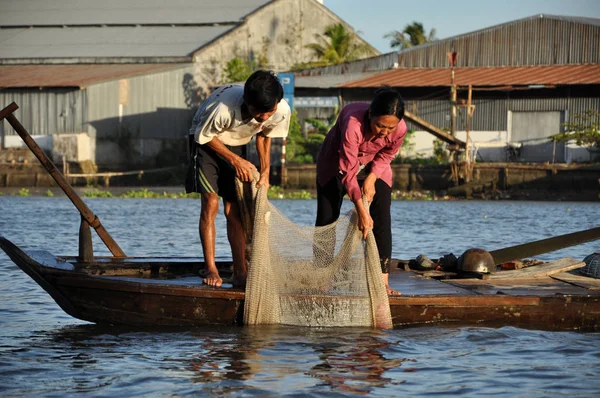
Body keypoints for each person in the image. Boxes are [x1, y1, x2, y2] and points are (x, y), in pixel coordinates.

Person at [186, 70, 291, 288]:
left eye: (268, 112)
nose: (263, 117)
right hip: (206, 142)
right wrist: (236, 161)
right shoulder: (223, 109)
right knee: (211, 204)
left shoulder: (280, 110)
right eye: (257, 112)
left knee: (234, 209)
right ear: (246, 102)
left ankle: (240, 271)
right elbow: (204, 137)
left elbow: (264, 135)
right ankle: (211, 268)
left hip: (236, 142)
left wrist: (265, 172)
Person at [315, 86, 406, 296]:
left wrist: (372, 178)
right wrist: (362, 213)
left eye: (390, 129)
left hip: (373, 165)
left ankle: (382, 281)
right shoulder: (353, 124)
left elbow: (387, 155)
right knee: (326, 220)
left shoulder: (400, 129)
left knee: (382, 217)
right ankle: (321, 277)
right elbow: (347, 171)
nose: (384, 132)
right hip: (336, 165)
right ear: (370, 115)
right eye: (380, 126)